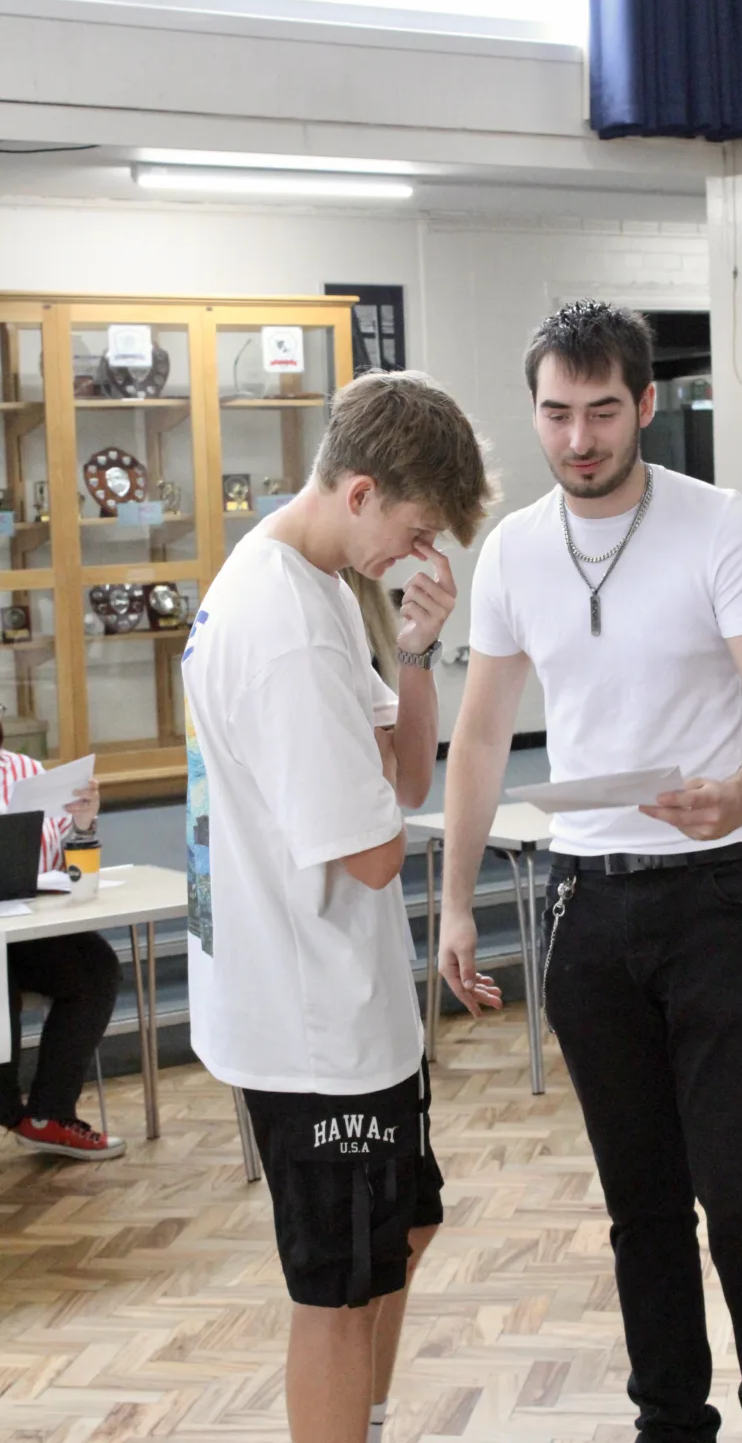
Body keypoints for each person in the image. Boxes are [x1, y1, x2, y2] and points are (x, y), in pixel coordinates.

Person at [439, 302, 742, 1443]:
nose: (578, 440)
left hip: (722, 897)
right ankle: (671, 1422)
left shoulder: (720, 527)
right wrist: (456, 901)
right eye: (556, 414)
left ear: (646, 405)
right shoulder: (511, 550)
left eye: (601, 411)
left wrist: (739, 791)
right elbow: (476, 738)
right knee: (640, 1206)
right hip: (586, 904)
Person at [182, 369, 494, 1443]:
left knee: (401, 1231)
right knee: (337, 1291)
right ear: (360, 490)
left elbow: (403, 779)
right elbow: (367, 855)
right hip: (311, 1022)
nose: (416, 553)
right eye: (411, 529)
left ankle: (363, 1420)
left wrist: (414, 650)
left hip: (351, 1012)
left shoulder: (315, 584)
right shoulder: (286, 625)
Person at [0, 707, 123, 1160]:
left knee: (95, 967)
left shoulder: (25, 772)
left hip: (27, 922)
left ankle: (48, 1114)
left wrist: (84, 823)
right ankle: (7, 1108)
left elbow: (65, 867)